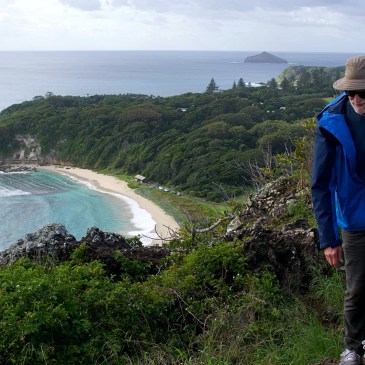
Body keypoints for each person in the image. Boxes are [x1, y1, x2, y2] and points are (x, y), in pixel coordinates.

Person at [312, 55, 365, 365]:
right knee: (357, 287)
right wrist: (329, 239)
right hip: (354, 217)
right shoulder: (332, 122)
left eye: (364, 92)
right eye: (352, 92)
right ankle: (352, 347)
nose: (358, 99)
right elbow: (320, 185)